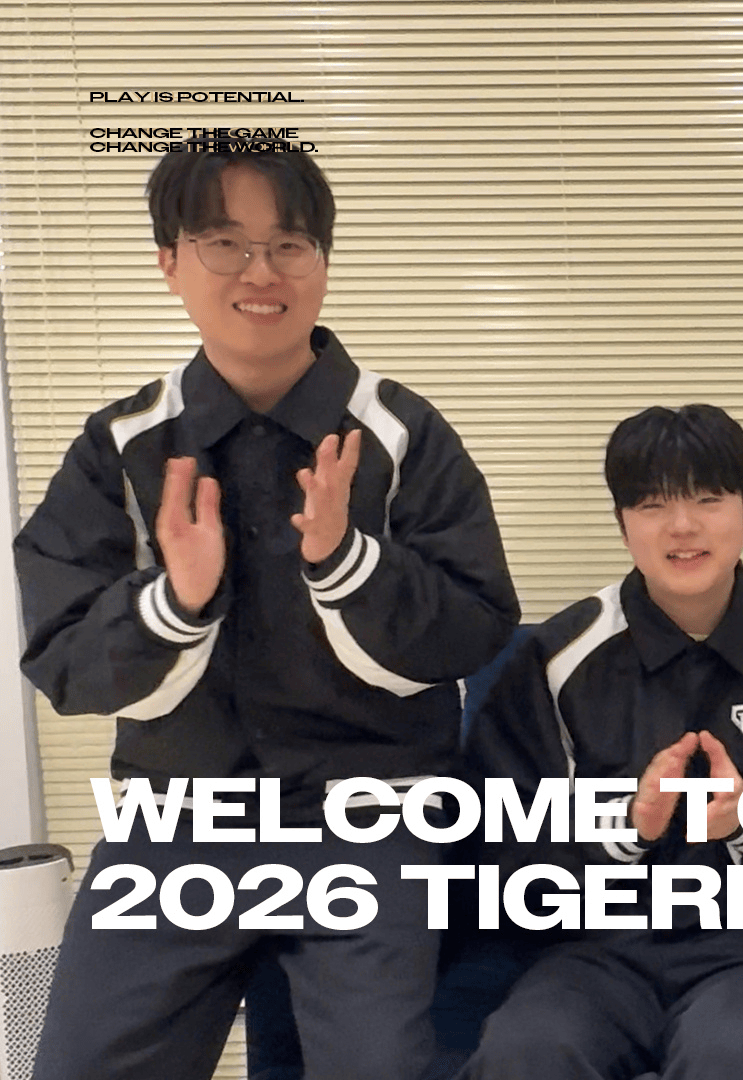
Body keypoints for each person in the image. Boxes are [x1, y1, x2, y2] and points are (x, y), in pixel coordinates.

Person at [17, 148, 520, 1079]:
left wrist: (348, 565)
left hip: (371, 814)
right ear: (170, 261)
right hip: (179, 817)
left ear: (322, 262)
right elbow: (64, 662)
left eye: (289, 244)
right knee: (83, 1062)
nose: (261, 272)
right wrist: (175, 601)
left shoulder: (400, 433)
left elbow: (476, 625)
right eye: (225, 244)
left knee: (377, 1065)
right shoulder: (123, 446)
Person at [457, 403, 743, 1080]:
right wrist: (626, 830)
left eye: (708, 499)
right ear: (622, 523)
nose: (682, 526)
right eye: (653, 504)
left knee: (730, 1051)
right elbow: (502, 849)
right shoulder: (558, 658)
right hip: (595, 953)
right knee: (526, 1051)